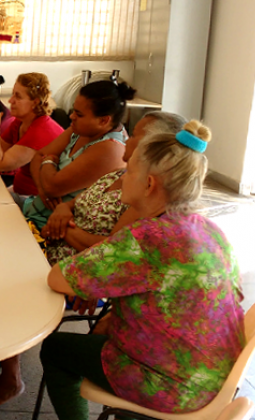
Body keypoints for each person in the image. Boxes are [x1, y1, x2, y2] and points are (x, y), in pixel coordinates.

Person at [41, 120, 245, 419]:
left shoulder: (148, 237)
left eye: (130, 171)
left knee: (56, 348)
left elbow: (57, 278)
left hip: (172, 386)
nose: (123, 176)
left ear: (149, 184)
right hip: (217, 377)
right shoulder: (211, 230)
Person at [42, 111, 187, 265]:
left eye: (132, 136)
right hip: (49, 253)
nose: (125, 140)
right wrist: (62, 209)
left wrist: (61, 229)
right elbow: (73, 203)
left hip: (78, 270)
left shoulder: (145, 195)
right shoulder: (117, 174)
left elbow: (112, 248)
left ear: (150, 147)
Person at [24, 78, 136, 228]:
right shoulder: (82, 128)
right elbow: (37, 158)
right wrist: (44, 192)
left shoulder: (109, 148)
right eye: (73, 110)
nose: (72, 116)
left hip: (53, 227)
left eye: (79, 114)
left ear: (104, 121)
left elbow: (52, 186)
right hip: (34, 210)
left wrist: (49, 160)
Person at [0, 72, 63, 196]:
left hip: (35, 199)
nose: (11, 100)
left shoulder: (39, 131)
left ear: (35, 102)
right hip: (19, 191)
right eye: (13, 94)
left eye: (18, 97)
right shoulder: (19, 122)